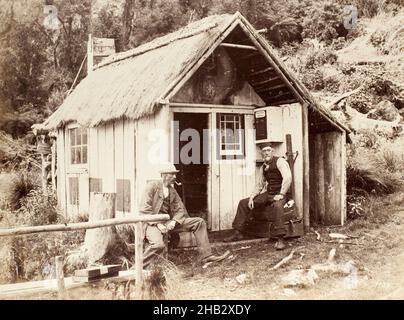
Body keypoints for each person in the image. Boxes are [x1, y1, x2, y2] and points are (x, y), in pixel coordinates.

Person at [139, 163, 229, 268]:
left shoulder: (172, 191)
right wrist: (159, 225)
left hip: (168, 222)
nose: (175, 177)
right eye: (172, 174)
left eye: (175, 174)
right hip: (152, 224)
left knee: (199, 222)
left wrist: (174, 221)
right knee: (158, 245)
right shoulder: (152, 187)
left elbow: (180, 209)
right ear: (164, 175)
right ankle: (137, 268)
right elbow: (144, 210)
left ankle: (206, 256)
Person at [224, 145, 292, 250]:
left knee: (278, 207)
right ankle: (238, 233)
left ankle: (280, 239)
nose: (266, 153)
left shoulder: (280, 162)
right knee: (244, 203)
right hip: (268, 194)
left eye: (268, 150)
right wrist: (252, 197)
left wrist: (281, 194)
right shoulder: (263, 167)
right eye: (264, 151)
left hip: (280, 194)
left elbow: (287, 178)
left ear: (272, 151)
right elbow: (259, 185)